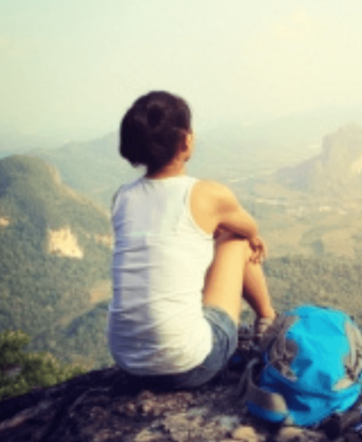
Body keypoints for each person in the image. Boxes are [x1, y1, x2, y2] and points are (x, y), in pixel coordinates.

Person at [107, 90, 276, 389]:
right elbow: (249, 226)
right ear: (186, 140)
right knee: (235, 239)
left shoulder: (122, 197)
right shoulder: (207, 194)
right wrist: (252, 237)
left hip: (129, 364)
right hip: (190, 365)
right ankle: (268, 322)